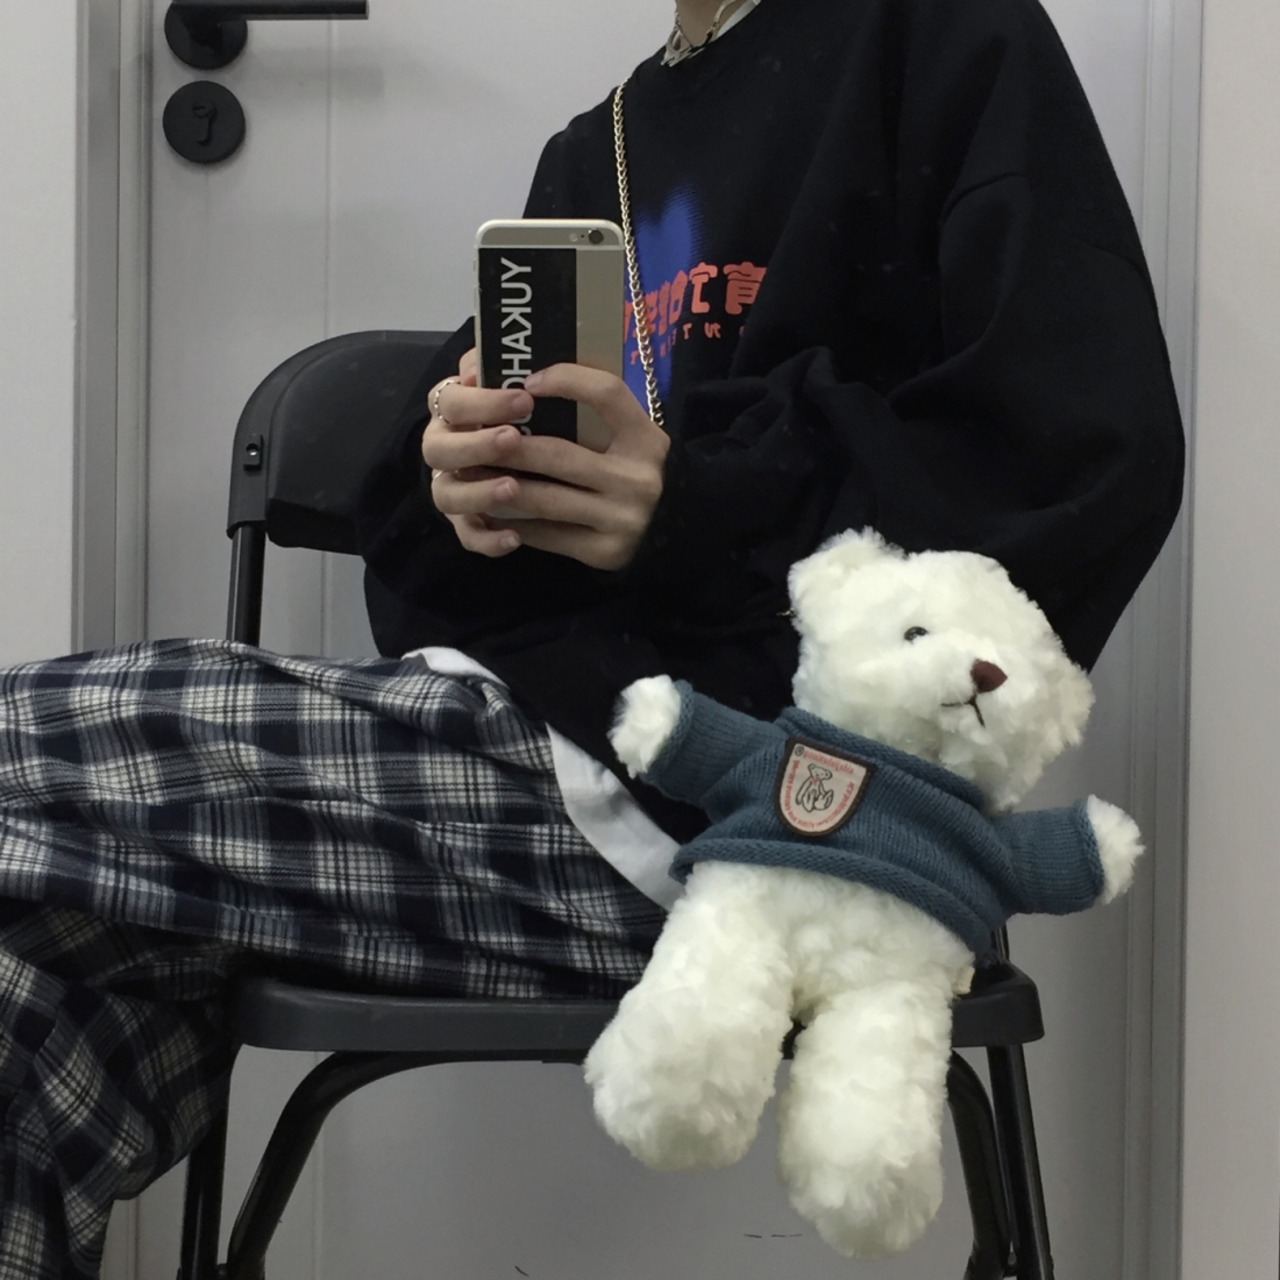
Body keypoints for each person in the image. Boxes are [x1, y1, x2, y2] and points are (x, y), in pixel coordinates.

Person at [0, 0, 1183, 1275]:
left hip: (781, 809)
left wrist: (688, 509)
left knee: (18, 749)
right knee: (36, 983)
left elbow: (1074, 461)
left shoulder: (937, 37)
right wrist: (462, 493)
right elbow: (465, 598)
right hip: (557, 738)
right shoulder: (599, 148)